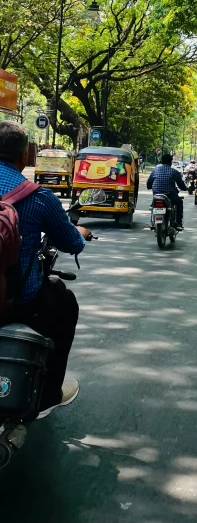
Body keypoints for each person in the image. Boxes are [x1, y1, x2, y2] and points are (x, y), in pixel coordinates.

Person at [0, 121, 92, 418]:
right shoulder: (38, 197)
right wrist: (82, 234)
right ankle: (48, 394)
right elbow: (71, 243)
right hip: (16, 302)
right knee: (65, 305)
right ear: (26, 155)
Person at [147, 153, 187, 229]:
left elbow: (149, 183)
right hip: (170, 195)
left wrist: (149, 187)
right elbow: (181, 185)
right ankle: (178, 223)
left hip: (157, 194)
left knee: (153, 206)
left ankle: (152, 222)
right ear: (170, 162)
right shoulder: (174, 172)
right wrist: (185, 188)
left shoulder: (155, 170)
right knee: (179, 202)